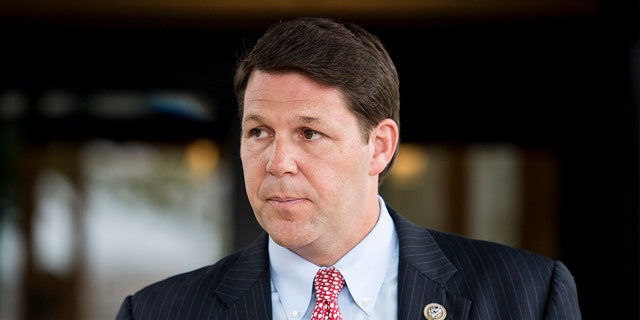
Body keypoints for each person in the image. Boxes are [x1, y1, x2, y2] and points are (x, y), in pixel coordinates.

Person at [115, 16, 582, 319]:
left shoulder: (527, 297)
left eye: (309, 133)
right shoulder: (157, 311)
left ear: (379, 147)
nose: (278, 163)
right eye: (259, 132)